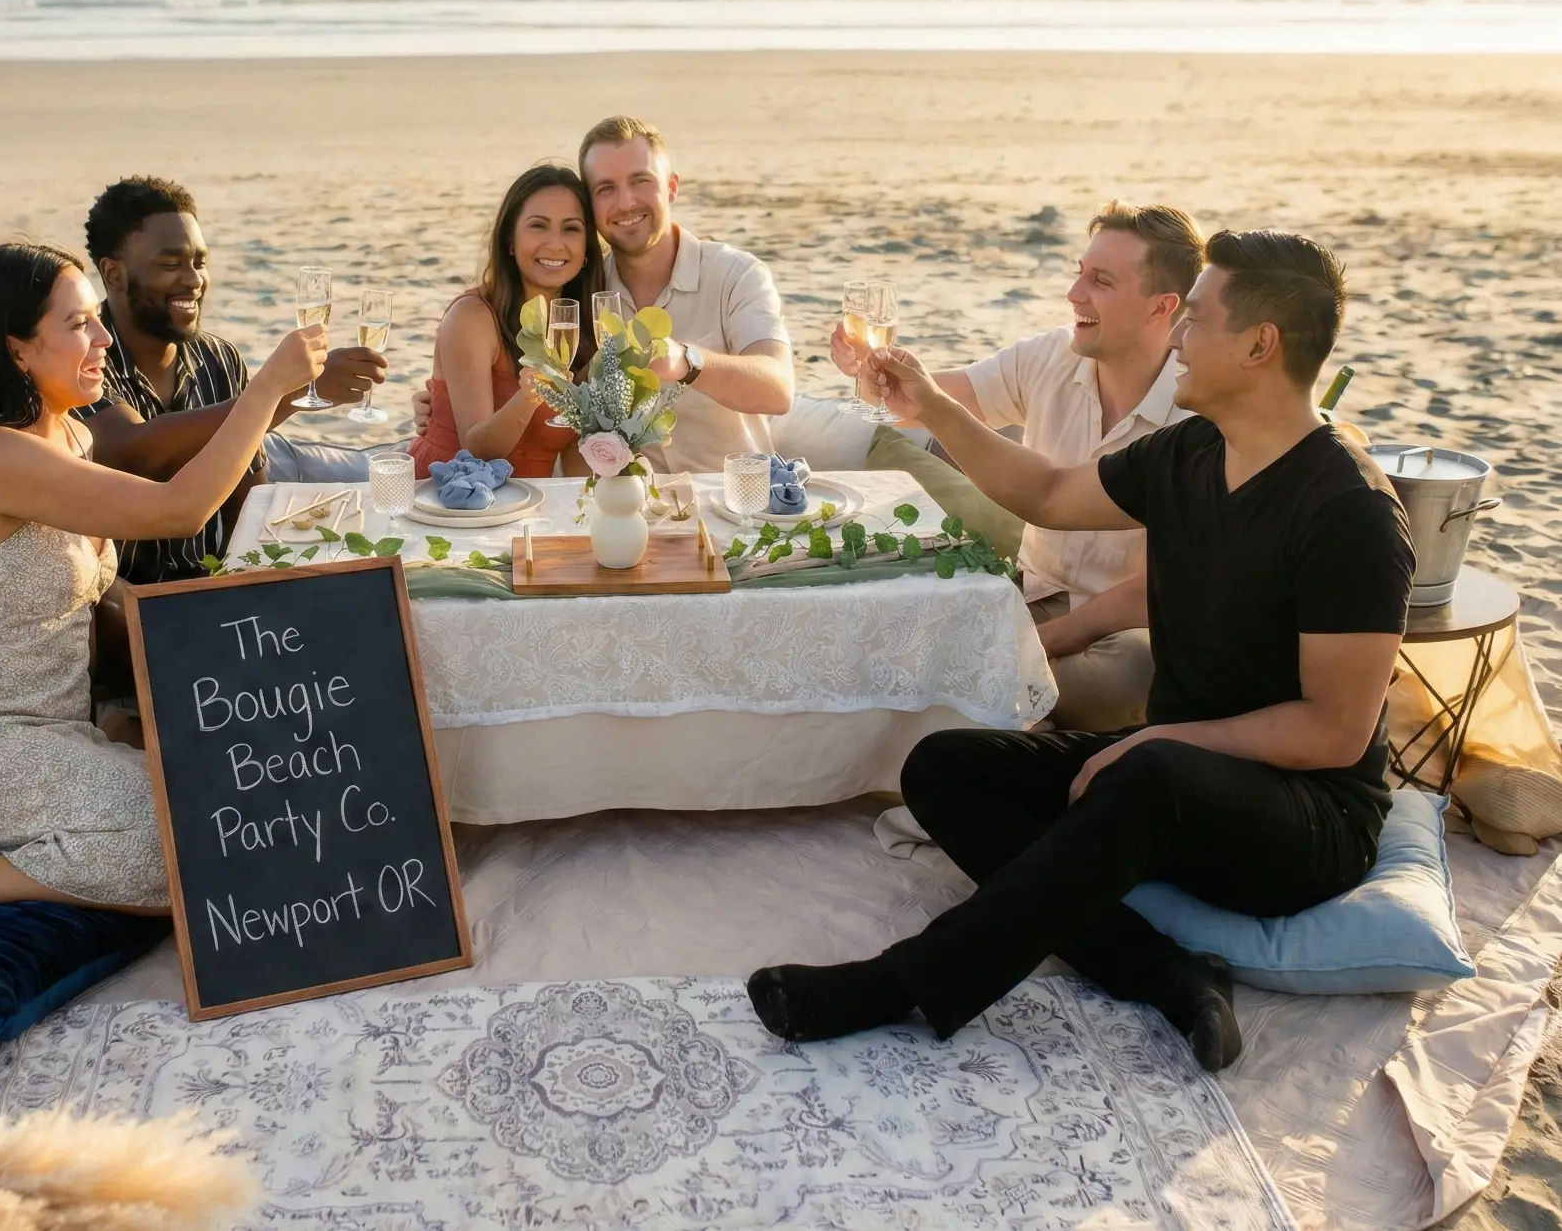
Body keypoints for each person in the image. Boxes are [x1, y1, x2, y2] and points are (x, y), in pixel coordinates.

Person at [747, 230, 1413, 1072]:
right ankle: (1165, 970)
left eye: (1195, 320)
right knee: (943, 768)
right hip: (1173, 778)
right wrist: (930, 404)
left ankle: (903, 983)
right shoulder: (1191, 452)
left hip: (1305, 819)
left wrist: (1157, 739)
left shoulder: (1348, 510)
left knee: (1146, 773)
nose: (1175, 337)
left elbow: (1333, 733)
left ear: (1258, 345)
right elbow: (1049, 493)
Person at [0, 242, 327, 928]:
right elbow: (178, 509)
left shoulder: (71, 438)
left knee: (234, 813)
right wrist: (266, 389)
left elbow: (106, 589)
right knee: (188, 845)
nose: (101, 339)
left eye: (97, 318)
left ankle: (105, 770)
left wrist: (217, 655)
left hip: (56, 738)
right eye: (76, 325)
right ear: (16, 350)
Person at [833, 202, 1204, 730]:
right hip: (1030, 595)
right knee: (896, 624)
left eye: (1100, 281)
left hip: (1127, 626)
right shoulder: (1054, 354)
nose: (1075, 293)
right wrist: (872, 372)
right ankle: (1014, 709)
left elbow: (1160, 588)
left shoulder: (1198, 410)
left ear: (1161, 306)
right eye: (1079, 273)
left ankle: (991, 705)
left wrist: (1035, 643)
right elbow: (930, 400)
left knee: (1131, 672)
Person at [78, 176, 387, 588]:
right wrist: (289, 392)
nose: (193, 280)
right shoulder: (84, 356)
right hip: (116, 604)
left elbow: (247, 507)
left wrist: (244, 594)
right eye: (171, 265)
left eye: (199, 262)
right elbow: (129, 453)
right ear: (113, 274)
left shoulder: (220, 359)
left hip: (207, 589)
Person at [580, 117, 794, 472]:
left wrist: (688, 362)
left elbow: (778, 388)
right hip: (630, 512)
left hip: (736, 506)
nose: (626, 202)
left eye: (641, 181)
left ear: (672, 187)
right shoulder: (585, 291)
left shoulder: (735, 274)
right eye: (605, 188)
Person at [409, 164, 599, 479]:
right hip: (446, 498)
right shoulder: (472, 316)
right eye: (538, 226)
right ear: (510, 240)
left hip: (526, 507)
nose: (555, 243)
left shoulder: (579, 326)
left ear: (586, 247)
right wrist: (528, 397)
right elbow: (477, 449)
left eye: (571, 228)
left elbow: (574, 454)